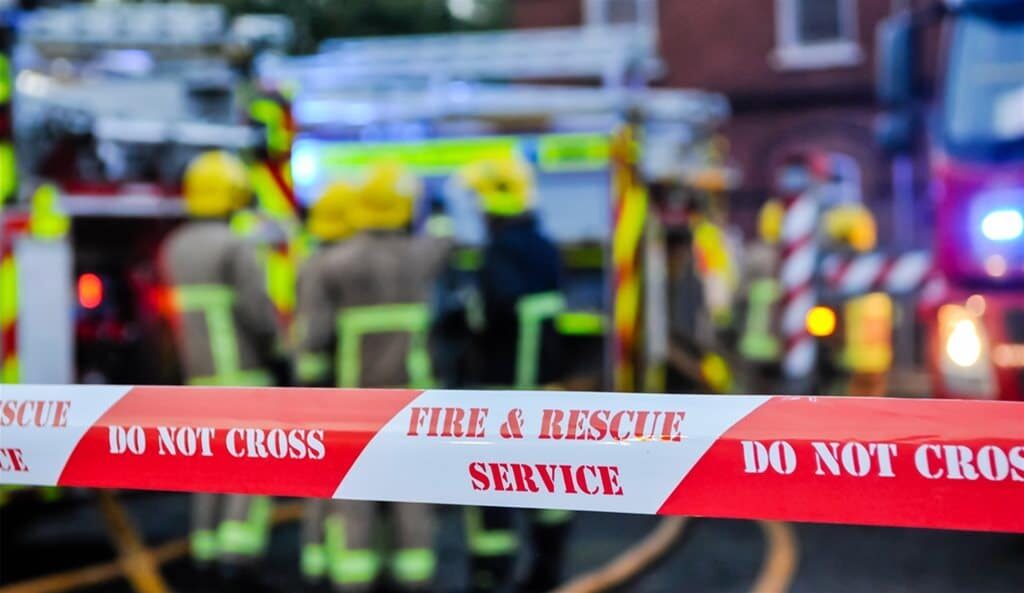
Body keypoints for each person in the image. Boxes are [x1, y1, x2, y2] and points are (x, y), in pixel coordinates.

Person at [293, 162, 449, 593]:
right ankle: (415, 577)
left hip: (352, 403)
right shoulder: (422, 255)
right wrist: (436, 208)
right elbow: (444, 235)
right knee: (411, 497)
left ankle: (352, 579)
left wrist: (310, 384)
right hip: (414, 403)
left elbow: (316, 340)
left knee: (353, 498)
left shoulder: (333, 264)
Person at [160, 150, 279, 580]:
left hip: (199, 378)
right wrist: (279, 351)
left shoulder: (174, 247)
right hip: (243, 375)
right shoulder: (236, 245)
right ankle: (238, 558)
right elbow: (258, 313)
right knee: (253, 467)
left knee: (207, 467)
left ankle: (205, 552)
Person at [456, 156, 570, 593]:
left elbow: (492, 316)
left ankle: (490, 576)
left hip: (505, 392)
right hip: (544, 387)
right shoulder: (543, 244)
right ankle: (547, 565)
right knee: (547, 482)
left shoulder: (501, 252)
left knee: (490, 485)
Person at [292, 179, 359, 586]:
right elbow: (320, 333)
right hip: (333, 389)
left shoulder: (311, 261)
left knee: (319, 486)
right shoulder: (335, 266)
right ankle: (328, 566)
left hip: (316, 390)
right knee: (340, 485)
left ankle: (316, 563)